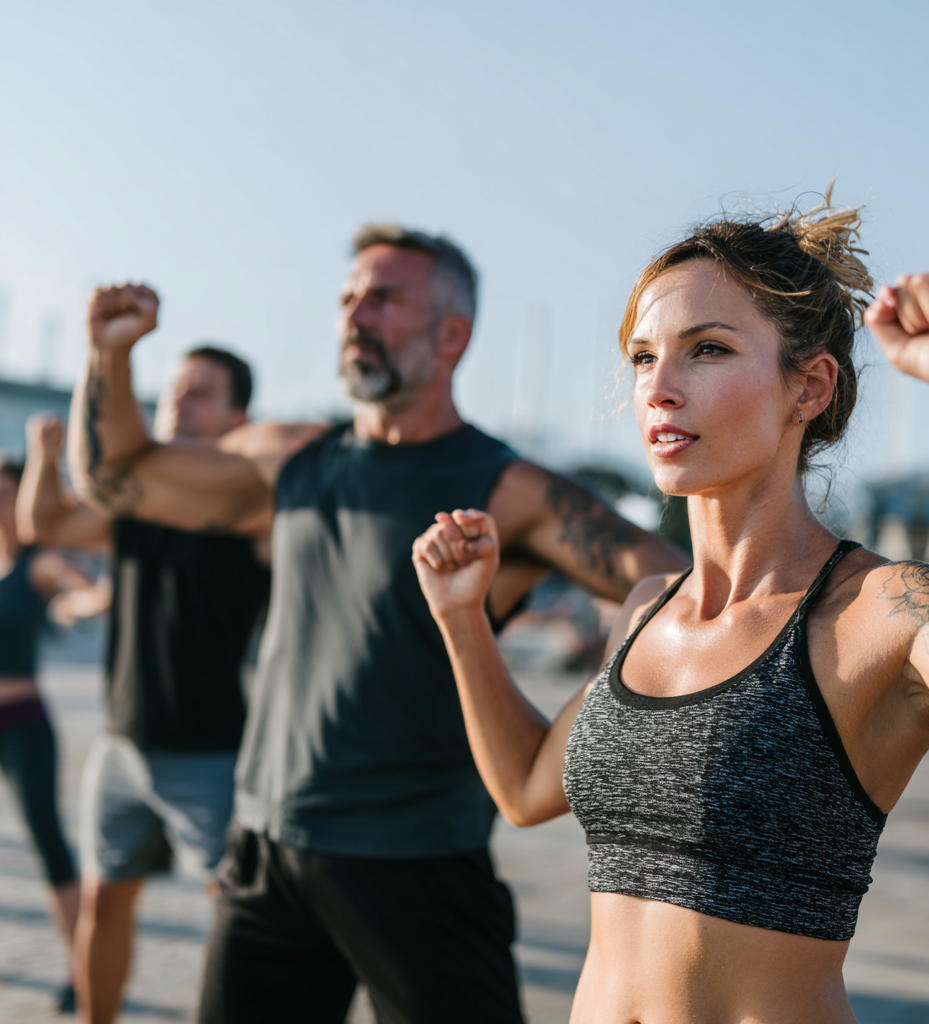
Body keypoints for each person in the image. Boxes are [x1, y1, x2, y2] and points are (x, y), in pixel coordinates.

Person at [411, 194, 929, 1024]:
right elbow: (524, 789)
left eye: (707, 350)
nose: (659, 388)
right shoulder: (644, 610)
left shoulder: (890, 611)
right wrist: (462, 619)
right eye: (640, 357)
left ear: (808, 387)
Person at [66, 224, 689, 1024]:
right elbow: (119, 476)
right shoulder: (289, 459)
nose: (357, 313)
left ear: (452, 335)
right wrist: (107, 356)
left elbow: (681, 590)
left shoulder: (512, 490)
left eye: (386, 298)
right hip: (267, 854)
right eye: (349, 297)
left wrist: (572, 740)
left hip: (419, 866)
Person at [19, 348, 275, 1024]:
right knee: (102, 909)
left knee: (243, 918)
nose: (179, 399)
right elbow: (42, 526)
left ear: (236, 416)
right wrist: (45, 455)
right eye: (177, 387)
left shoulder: (252, 511)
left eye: (201, 392)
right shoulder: (135, 506)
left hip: (214, 755)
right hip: (119, 747)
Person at [0, 455, 109, 1014]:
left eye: (7, 494)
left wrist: (94, 599)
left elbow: (78, 592)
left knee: (48, 844)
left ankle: (81, 963)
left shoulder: (39, 563)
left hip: (21, 724)